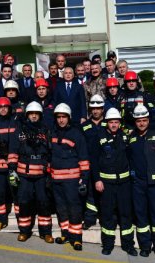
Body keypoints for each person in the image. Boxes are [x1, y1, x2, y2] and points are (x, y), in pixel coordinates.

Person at [91, 108, 137, 256]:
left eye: (116, 122)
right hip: (107, 185)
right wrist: (97, 180)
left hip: (124, 184)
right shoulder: (99, 137)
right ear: (106, 123)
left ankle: (128, 245)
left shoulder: (124, 137)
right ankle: (108, 244)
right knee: (107, 215)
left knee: (126, 215)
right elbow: (94, 161)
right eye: (111, 122)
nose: (114, 124)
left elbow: (131, 158)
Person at [127, 105, 155, 260]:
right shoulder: (131, 137)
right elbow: (130, 160)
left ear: (148, 120)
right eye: (138, 121)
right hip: (138, 183)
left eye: (144, 120)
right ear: (135, 121)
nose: (141, 123)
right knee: (141, 217)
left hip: (154, 184)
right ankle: (145, 246)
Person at [9, 102, 54, 243]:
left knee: (43, 203)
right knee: (24, 202)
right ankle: (24, 231)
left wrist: (50, 171)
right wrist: (12, 170)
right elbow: (13, 151)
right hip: (24, 175)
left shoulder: (46, 130)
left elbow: (51, 152)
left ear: (40, 115)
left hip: (41, 174)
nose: (34, 115)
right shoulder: (20, 130)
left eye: (36, 113)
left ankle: (45, 232)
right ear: (27, 114)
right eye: (31, 113)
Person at [51, 103, 90, 251]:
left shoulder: (76, 134)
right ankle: (65, 234)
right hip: (56, 181)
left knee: (74, 208)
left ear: (69, 118)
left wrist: (84, 178)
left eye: (64, 117)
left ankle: (76, 238)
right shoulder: (52, 133)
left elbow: (84, 158)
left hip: (72, 181)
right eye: (59, 117)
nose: (61, 120)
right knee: (61, 209)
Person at [0, 97, 18, 232]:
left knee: (16, 194)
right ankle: (0, 221)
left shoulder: (14, 123)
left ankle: (21, 220)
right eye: (0, 107)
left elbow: (16, 145)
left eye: (5, 107)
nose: (3, 109)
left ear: (9, 108)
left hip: (12, 167)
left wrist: (13, 167)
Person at [81, 94, 106, 229]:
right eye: (93, 109)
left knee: (105, 193)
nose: (95, 111)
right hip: (89, 164)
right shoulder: (84, 126)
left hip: (106, 165)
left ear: (103, 109)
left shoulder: (109, 124)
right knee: (90, 193)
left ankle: (105, 217)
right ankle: (90, 218)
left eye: (98, 108)